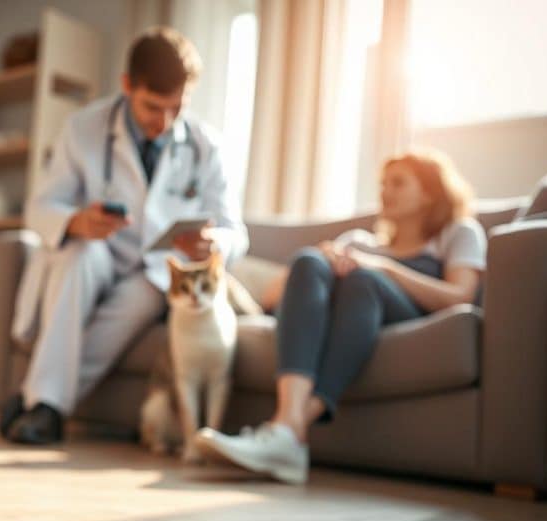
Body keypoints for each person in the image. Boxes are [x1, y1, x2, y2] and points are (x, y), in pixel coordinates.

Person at [0, 28, 249, 444]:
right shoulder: (83, 128)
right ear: (127, 85)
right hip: (95, 251)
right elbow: (41, 207)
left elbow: (235, 232)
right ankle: (40, 403)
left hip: (152, 271)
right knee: (77, 258)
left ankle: (41, 405)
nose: (165, 122)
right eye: (154, 107)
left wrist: (215, 243)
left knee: (145, 296)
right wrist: (76, 221)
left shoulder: (207, 147)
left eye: (177, 108)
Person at [195, 150, 487, 484]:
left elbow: (461, 296)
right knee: (307, 260)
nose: (385, 191)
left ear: (429, 193)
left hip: (402, 314)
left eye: (398, 183)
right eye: (382, 183)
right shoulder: (358, 242)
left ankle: (288, 430)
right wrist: (318, 260)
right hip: (350, 314)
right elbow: (271, 299)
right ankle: (287, 427)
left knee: (363, 280)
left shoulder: (458, 233)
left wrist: (383, 268)